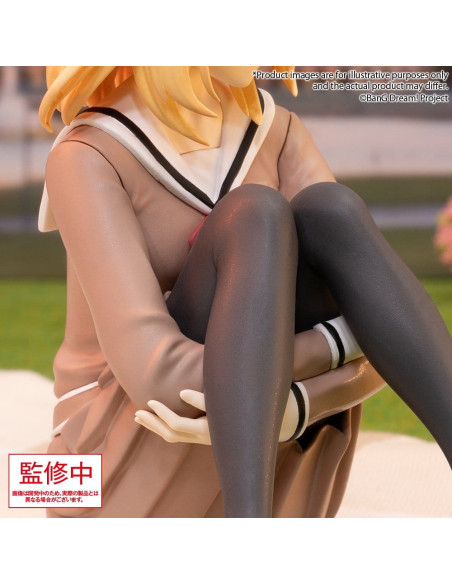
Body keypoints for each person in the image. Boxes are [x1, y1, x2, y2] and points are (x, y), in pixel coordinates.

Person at [39, 66, 451, 518]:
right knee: (254, 215)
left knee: (333, 211)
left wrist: (295, 406)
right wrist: (334, 348)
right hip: (119, 449)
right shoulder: (88, 154)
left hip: (272, 441)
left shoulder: (277, 130)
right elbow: (163, 384)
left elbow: (394, 339)